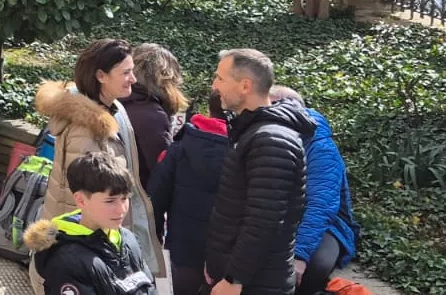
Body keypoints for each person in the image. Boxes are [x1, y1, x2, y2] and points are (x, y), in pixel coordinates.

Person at [33, 40, 163, 282]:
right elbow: (80, 201)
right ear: (101, 76)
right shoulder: (88, 129)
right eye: (126, 72)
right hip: (86, 251)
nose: (134, 79)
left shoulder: (111, 110)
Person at [204, 48, 315, 295]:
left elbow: (264, 220)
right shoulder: (253, 130)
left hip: (257, 283)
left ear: (245, 85)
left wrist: (234, 278)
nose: (214, 85)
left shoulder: (271, 139)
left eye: (220, 78)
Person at [266, 87, 360, 295]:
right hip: (285, 215)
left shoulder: (321, 148)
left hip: (327, 225)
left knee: (314, 266)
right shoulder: (268, 136)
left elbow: (320, 206)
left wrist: (300, 255)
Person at [26, 151, 159, 295]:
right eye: (110, 201)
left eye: (125, 198)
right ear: (81, 200)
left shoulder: (128, 239)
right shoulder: (68, 260)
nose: (121, 209)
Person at [149, 93, 231, 295]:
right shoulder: (247, 152)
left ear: (209, 111)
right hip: (226, 260)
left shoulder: (179, 148)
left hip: (180, 252)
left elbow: (155, 199)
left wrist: (156, 240)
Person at [120, 43, 189, 188]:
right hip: (138, 197)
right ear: (166, 79)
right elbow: (163, 170)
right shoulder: (152, 116)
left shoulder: (117, 102)